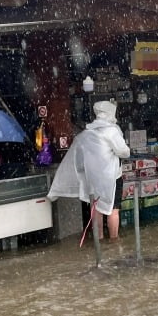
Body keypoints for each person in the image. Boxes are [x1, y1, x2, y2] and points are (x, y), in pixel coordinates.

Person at [47, 99, 131, 243]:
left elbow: (78, 157)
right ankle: (114, 240)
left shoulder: (86, 134)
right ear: (111, 113)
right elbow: (124, 152)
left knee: (96, 209)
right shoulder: (111, 131)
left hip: (92, 178)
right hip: (112, 177)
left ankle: (99, 240)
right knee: (113, 208)